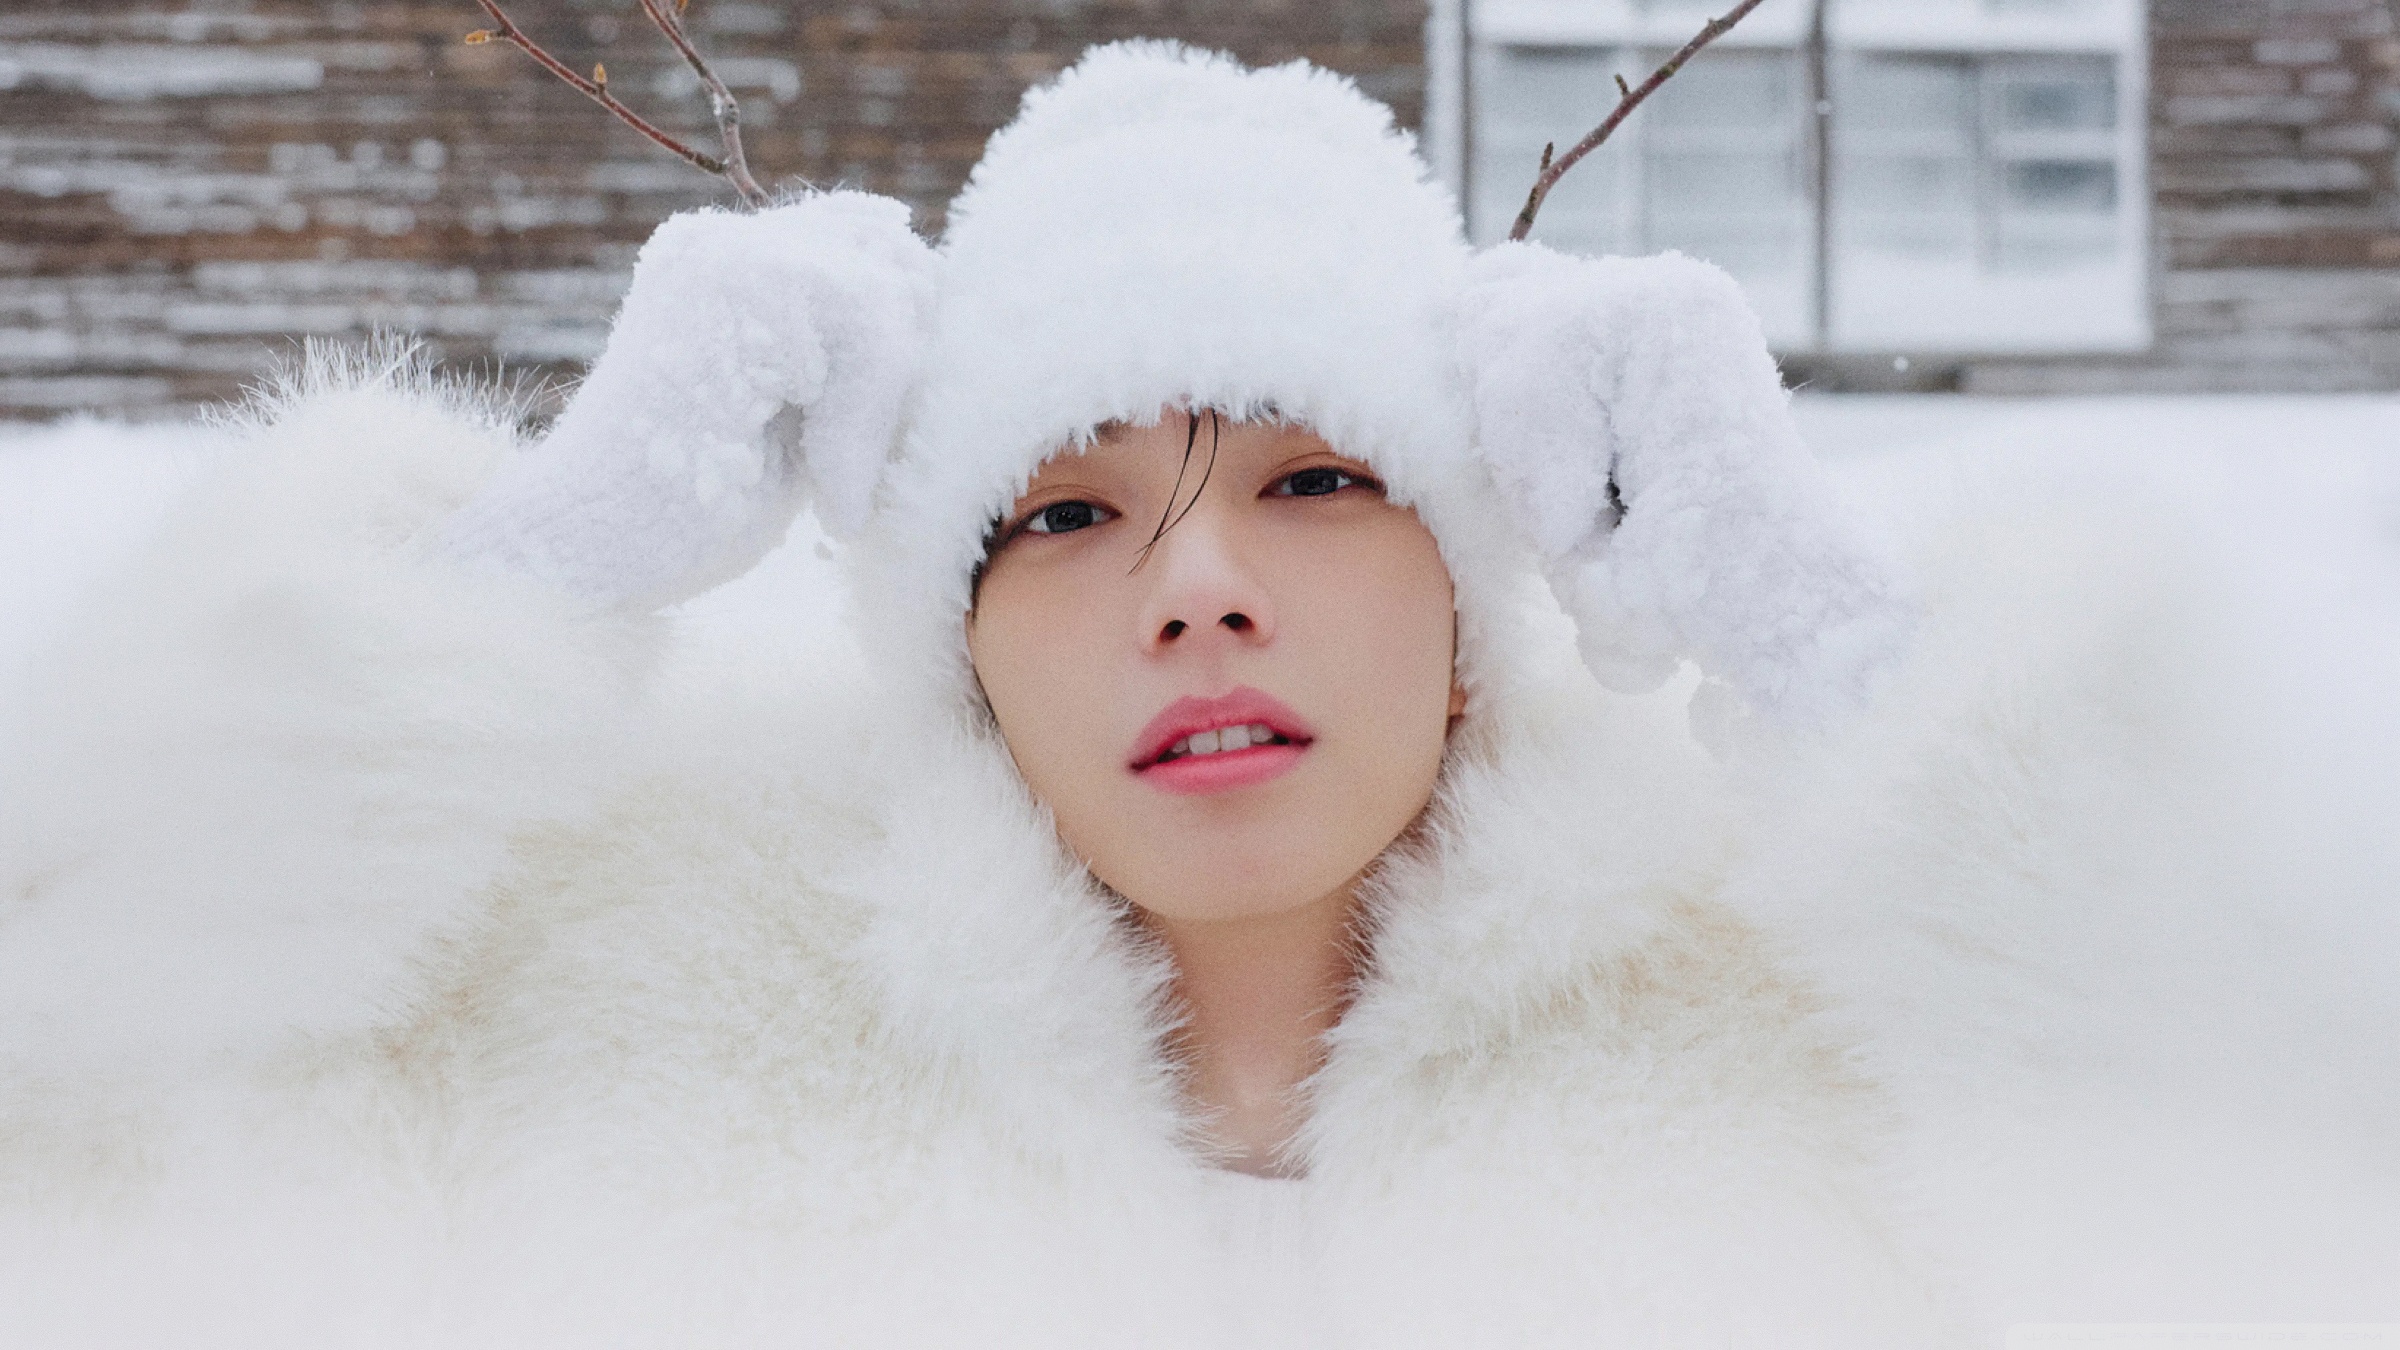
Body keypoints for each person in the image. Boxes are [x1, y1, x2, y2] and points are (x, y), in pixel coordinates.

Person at [1, 41, 2393, 1349]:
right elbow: (68, 1137)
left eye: (1322, 478)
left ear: (1479, 578)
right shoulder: (606, 1050)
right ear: (947, 638)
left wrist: (1854, 668)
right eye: (1064, 513)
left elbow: (2301, 1222)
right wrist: (524, 582)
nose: (1203, 592)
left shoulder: (1826, 1054)